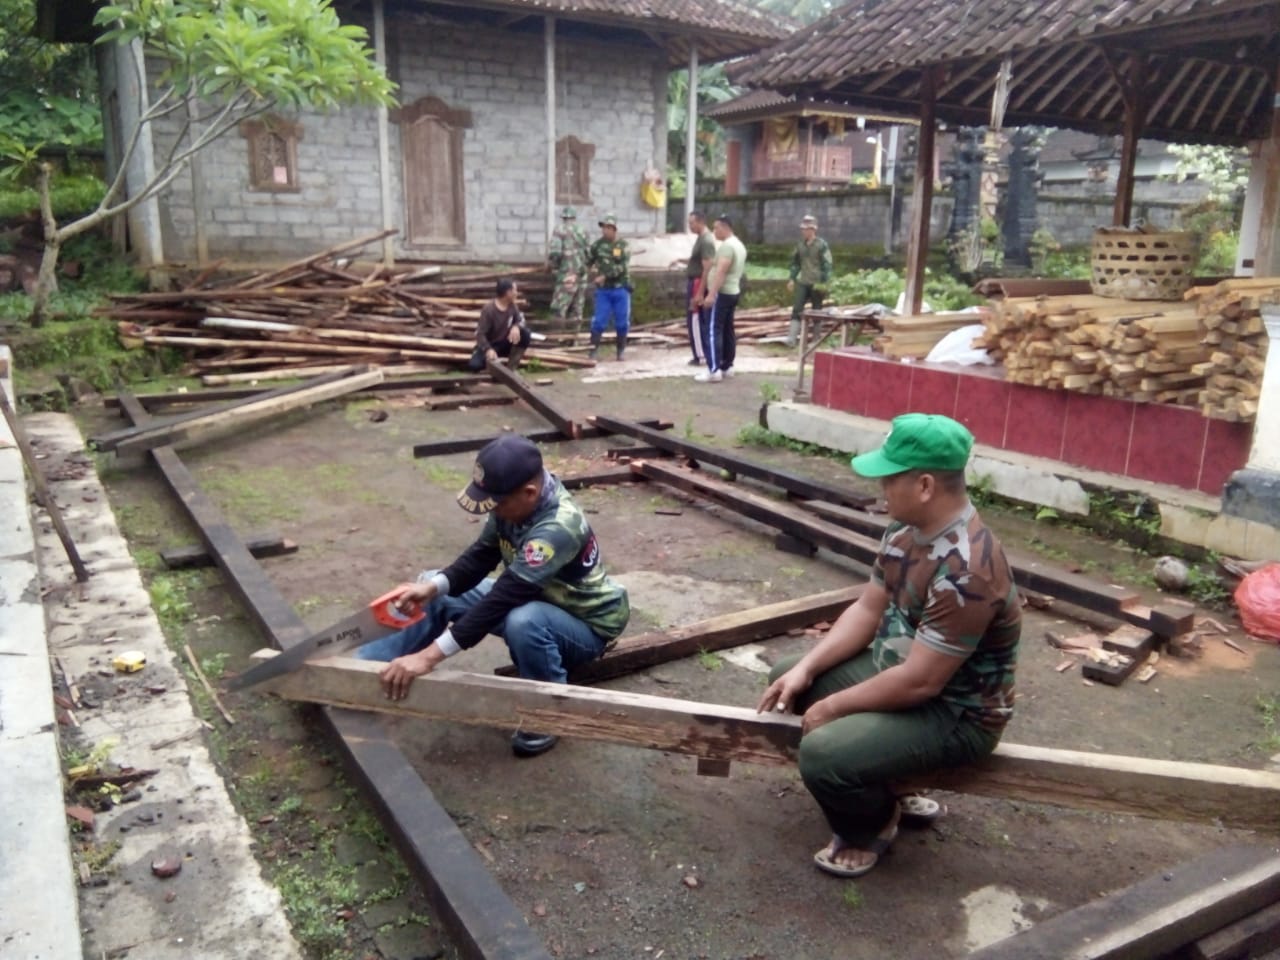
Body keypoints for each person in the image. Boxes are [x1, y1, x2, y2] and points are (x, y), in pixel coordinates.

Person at [757, 414, 1021, 877]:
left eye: (888, 478)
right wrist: (807, 669)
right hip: (900, 672)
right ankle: (889, 779)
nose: (880, 487)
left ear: (924, 485)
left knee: (823, 754)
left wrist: (834, 708)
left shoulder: (968, 568)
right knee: (790, 678)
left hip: (958, 712)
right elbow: (867, 609)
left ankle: (872, 825)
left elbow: (921, 683)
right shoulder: (904, 531)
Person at [360, 433, 631, 757]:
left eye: (497, 504)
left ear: (529, 493)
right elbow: (482, 555)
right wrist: (434, 587)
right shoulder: (511, 502)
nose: (494, 511)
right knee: (434, 586)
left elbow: (504, 598)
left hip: (585, 624)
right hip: (538, 598)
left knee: (524, 622)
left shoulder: (557, 527)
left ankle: (547, 714)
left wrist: (428, 657)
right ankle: (359, 675)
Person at [696, 214, 747, 383]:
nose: (714, 230)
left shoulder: (727, 247)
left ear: (725, 228)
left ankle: (713, 369)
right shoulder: (739, 245)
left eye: (716, 227)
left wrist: (711, 294)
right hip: (733, 291)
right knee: (727, 329)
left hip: (722, 293)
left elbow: (721, 271)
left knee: (713, 330)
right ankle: (727, 365)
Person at [587, 213, 631, 361]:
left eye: (607, 228)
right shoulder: (597, 245)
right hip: (604, 291)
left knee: (622, 322)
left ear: (614, 229)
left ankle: (620, 351)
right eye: (603, 227)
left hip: (620, 289)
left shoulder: (623, 246)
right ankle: (593, 351)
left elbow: (622, 268)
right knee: (599, 321)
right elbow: (588, 262)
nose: (604, 231)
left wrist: (604, 276)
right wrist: (578, 274)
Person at [787, 214, 833, 348]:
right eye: (802, 229)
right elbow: (795, 263)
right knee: (797, 309)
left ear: (813, 230)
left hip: (816, 282)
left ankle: (816, 338)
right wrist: (791, 278)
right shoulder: (800, 245)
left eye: (806, 229)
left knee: (817, 310)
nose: (804, 232)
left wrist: (825, 282)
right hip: (803, 281)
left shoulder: (821, 245)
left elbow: (827, 264)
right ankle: (792, 338)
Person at [469, 278, 531, 372]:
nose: (516, 293)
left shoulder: (512, 306)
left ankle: (511, 369)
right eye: (515, 290)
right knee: (474, 365)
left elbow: (520, 320)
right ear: (508, 293)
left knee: (525, 334)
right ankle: (491, 369)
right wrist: (488, 349)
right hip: (491, 344)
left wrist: (516, 326)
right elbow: (480, 334)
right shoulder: (489, 310)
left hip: (505, 343)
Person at [548, 206, 590, 330]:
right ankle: (573, 341)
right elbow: (589, 253)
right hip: (582, 275)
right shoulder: (583, 231)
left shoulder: (559, 230)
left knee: (559, 308)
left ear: (563, 218)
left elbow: (555, 253)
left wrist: (554, 267)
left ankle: (557, 338)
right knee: (577, 309)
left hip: (567, 274)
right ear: (574, 217)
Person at [683, 210, 716, 366]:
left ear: (701, 222)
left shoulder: (706, 241)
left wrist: (700, 291)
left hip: (698, 282)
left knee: (695, 319)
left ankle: (700, 354)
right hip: (695, 280)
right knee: (694, 318)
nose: (690, 226)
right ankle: (699, 352)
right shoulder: (700, 239)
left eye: (692, 223)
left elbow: (707, 267)